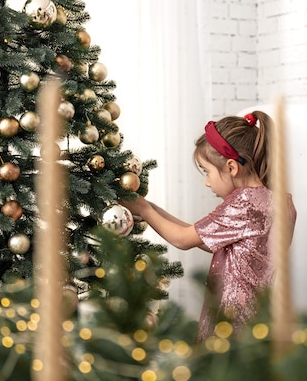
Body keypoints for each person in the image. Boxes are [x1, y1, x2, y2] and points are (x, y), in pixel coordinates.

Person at [121, 112, 296, 342]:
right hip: (260, 318)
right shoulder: (278, 202)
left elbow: (183, 239)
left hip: (231, 320)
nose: (207, 181)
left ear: (232, 167)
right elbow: (200, 235)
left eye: (207, 172)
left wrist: (144, 211)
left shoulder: (244, 203)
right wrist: (149, 207)